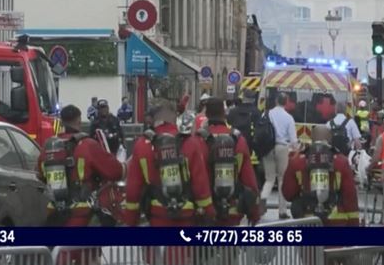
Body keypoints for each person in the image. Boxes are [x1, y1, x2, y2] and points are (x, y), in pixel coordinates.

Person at [123, 98, 215, 227]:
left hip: (157, 215)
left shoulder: (142, 145)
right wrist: (209, 214)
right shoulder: (190, 143)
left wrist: (130, 221)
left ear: (154, 119)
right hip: (186, 216)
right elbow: (201, 186)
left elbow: (133, 189)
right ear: (174, 116)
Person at [38, 105, 124, 227]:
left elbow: (40, 174)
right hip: (82, 215)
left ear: (61, 121)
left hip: (55, 215)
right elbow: (115, 172)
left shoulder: (48, 147)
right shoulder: (87, 145)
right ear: (79, 120)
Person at [198, 98, 261, 226]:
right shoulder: (238, 140)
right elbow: (249, 180)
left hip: (204, 213)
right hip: (232, 210)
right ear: (224, 113)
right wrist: (254, 213)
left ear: (207, 115)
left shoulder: (198, 141)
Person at [282, 125, 360, 226]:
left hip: (307, 222)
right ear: (330, 139)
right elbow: (350, 198)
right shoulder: (341, 162)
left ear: (311, 138)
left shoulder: (297, 161)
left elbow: (288, 193)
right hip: (336, 222)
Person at [260, 93, 298, 219]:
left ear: (276, 101)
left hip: (267, 147)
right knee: (282, 179)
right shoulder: (289, 118)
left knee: (269, 178)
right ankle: (282, 211)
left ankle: (262, 200)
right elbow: (293, 140)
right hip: (282, 148)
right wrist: (297, 149)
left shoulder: (267, 114)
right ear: (286, 102)